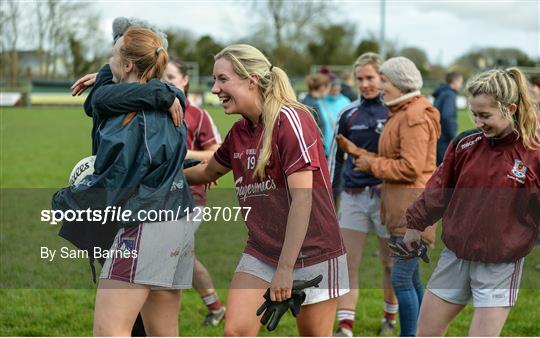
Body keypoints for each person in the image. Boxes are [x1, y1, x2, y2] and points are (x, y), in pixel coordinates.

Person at [184, 44, 349, 336]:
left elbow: (302, 199)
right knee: (235, 331)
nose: (214, 89)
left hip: (314, 252)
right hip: (262, 250)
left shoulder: (291, 120)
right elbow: (207, 172)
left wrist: (285, 269)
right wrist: (155, 174)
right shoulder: (239, 132)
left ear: (252, 80)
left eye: (222, 79)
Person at [55, 27, 195, 336]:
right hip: (178, 220)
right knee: (163, 331)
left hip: (145, 226)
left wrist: (64, 201)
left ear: (129, 64)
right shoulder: (172, 105)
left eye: (113, 54)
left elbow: (112, 187)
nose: (108, 60)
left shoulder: (131, 117)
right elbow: (102, 101)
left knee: (110, 331)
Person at [403, 68, 540, 336]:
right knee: (425, 333)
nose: (478, 121)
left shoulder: (533, 154)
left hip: (499, 264)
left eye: (485, 115)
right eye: (475, 114)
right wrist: (414, 225)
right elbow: (439, 188)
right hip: (455, 256)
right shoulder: (465, 144)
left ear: (510, 108)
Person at [340, 56, 440, 336]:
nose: (380, 86)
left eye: (384, 80)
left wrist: (371, 165)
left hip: (411, 209)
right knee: (412, 279)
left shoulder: (414, 116)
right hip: (401, 208)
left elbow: (411, 167)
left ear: (399, 82)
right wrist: (359, 154)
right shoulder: (403, 112)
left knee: (401, 279)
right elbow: (394, 158)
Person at [329, 52, 397, 337]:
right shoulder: (347, 113)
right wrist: (331, 199)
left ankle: (389, 318)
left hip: (388, 198)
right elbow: (335, 161)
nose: (365, 84)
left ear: (382, 78)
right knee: (348, 264)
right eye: (360, 79)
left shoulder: (396, 111)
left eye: (371, 78)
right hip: (354, 197)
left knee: (390, 263)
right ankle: (346, 327)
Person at [164, 56, 226, 326]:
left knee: (170, 252)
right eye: (161, 78)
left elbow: (217, 153)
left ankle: (160, 322)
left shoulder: (198, 115)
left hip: (191, 197)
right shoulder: (152, 111)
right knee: (181, 253)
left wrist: (184, 154)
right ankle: (215, 308)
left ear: (185, 80)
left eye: (171, 77)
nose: (165, 83)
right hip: (155, 197)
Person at [433, 71, 464, 164]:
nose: (461, 85)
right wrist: (453, 136)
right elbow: (447, 116)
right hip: (445, 138)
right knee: (445, 167)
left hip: (437, 135)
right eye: (460, 82)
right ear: (455, 82)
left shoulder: (441, 92)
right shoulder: (450, 94)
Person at [321, 77, 352, 156]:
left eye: (337, 90)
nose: (335, 92)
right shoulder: (321, 101)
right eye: (333, 90)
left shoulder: (345, 101)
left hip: (341, 139)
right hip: (325, 140)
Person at [301, 73, 330, 138]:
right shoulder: (310, 104)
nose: (328, 92)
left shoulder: (316, 101)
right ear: (322, 87)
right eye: (328, 88)